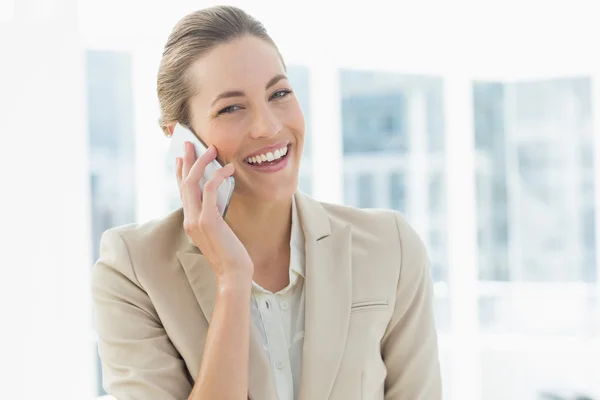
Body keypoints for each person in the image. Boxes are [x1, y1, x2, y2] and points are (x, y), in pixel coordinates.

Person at [91, 5, 442, 400]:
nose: (270, 127)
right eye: (232, 108)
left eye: (279, 93)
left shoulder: (389, 247)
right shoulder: (133, 271)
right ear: (184, 138)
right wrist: (232, 282)